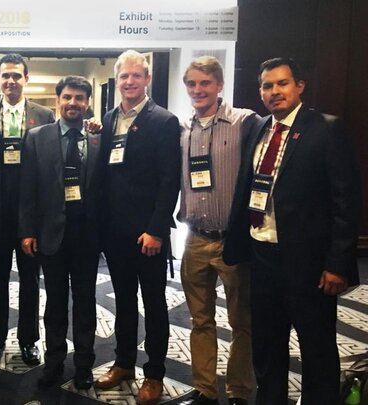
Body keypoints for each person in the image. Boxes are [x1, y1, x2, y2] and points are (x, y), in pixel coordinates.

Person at [223, 57, 361, 405]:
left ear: (300, 86)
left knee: (316, 346)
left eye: (282, 83)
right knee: (267, 344)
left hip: (310, 263)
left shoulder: (327, 129)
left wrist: (338, 263)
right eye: (267, 86)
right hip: (262, 255)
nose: (274, 92)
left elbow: (346, 202)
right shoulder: (258, 129)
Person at [93, 50, 180, 405]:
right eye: (124, 77)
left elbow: (168, 179)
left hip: (148, 235)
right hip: (115, 232)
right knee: (124, 302)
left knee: (155, 303)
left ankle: (154, 373)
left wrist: (157, 229)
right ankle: (124, 363)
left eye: (136, 76)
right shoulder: (109, 118)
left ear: (147, 79)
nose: (129, 82)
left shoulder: (163, 120)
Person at [176, 56, 258, 405]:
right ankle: (205, 390)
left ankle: (240, 391)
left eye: (205, 83)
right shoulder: (182, 130)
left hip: (234, 242)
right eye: (192, 84)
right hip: (195, 239)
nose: (198, 90)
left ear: (219, 85)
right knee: (200, 320)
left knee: (243, 323)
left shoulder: (244, 123)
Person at [18, 75, 105, 390]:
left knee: (85, 303)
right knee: (54, 303)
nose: (73, 103)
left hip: (87, 236)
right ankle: (53, 363)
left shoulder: (99, 139)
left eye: (79, 98)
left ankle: (84, 365)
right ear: (59, 100)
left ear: (87, 103)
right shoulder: (37, 137)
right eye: (67, 97)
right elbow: (27, 189)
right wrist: (27, 231)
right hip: (51, 234)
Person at [0, 53, 55, 367]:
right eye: (5, 76)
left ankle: (29, 341)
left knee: (30, 281)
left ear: (26, 79)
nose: (10, 81)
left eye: (16, 76)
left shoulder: (44, 114)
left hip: (30, 213)